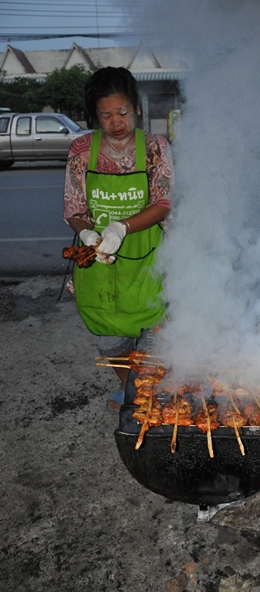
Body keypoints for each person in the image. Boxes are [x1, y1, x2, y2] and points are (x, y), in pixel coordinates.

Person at [63, 66, 173, 412]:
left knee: (153, 332)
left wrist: (121, 227)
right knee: (109, 334)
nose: (116, 122)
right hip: (97, 262)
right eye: (106, 115)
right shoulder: (81, 149)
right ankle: (131, 390)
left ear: (136, 109)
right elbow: (73, 207)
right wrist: (86, 230)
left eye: (123, 112)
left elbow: (163, 203)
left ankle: (150, 390)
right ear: (95, 116)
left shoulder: (155, 147)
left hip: (146, 257)